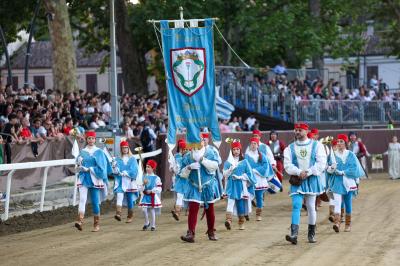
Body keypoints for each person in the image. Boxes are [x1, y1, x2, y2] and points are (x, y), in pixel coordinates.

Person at [284, 123, 327, 245]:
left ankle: (311, 233)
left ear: (306, 131)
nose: (297, 132)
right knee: (297, 205)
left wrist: (308, 172)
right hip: (297, 180)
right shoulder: (290, 147)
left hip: (312, 179)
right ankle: (294, 234)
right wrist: (298, 172)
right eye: (296, 130)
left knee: (311, 206)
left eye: (300, 130)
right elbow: (287, 165)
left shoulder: (317, 145)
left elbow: (321, 163)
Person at [179, 134, 220, 243]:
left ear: (202, 141)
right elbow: (182, 174)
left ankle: (211, 231)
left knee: (209, 209)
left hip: (208, 185)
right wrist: (189, 167)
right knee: (193, 208)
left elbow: (215, 166)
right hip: (194, 185)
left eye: (199, 141)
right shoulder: (188, 156)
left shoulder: (210, 152)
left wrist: (202, 160)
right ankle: (190, 233)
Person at [326, 134, 365, 233]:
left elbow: (354, 168)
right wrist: (331, 169)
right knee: (338, 202)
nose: (339, 143)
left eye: (341, 141)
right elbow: (327, 168)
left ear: (346, 143)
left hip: (348, 182)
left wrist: (343, 172)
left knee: (347, 203)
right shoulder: (332, 155)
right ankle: (337, 223)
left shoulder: (350, 154)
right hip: (337, 182)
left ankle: (348, 224)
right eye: (338, 141)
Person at [74, 131, 109, 232]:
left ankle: (96, 224)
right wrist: (79, 165)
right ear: (86, 139)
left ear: (95, 139)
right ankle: (80, 220)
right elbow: (77, 165)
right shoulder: (82, 152)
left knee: (95, 202)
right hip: (84, 178)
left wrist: (89, 169)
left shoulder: (99, 152)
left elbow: (102, 168)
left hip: (95, 178)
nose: (90, 140)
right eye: (89, 138)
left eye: (92, 138)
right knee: (82, 199)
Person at [223, 140, 256, 230]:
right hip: (231, 186)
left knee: (240, 204)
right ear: (232, 151)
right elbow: (224, 175)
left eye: (237, 149)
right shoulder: (228, 162)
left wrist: (241, 177)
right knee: (230, 202)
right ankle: (228, 220)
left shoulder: (244, 162)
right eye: (234, 149)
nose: (236, 151)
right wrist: (230, 170)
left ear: (240, 150)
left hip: (241, 186)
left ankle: (241, 222)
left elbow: (250, 174)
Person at [245, 137, 274, 221]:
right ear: (250, 145)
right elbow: (245, 167)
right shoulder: (247, 156)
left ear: (258, 145)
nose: (253, 145)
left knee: (259, 197)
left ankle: (258, 214)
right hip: (250, 179)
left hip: (260, 179)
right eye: (252, 144)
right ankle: (246, 212)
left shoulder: (262, 156)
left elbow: (265, 167)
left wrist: (254, 170)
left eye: (255, 144)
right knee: (248, 196)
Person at [112, 140, 139, 223]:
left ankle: (130, 216)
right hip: (120, 181)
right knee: (119, 196)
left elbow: (134, 171)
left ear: (128, 148)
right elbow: (114, 171)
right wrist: (115, 169)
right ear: (121, 149)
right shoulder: (117, 159)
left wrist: (126, 173)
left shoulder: (132, 159)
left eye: (126, 148)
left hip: (130, 182)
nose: (125, 149)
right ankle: (118, 214)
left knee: (129, 198)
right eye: (123, 148)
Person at [138, 160, 162, 231]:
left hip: (152, 196)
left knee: (152, 210)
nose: (147, 168)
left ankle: (153, 225)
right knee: (144, 209)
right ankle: (147, 222)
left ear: (153, 168)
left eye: (149, 167)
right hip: (145, 196)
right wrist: (144, 184)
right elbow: (140, 188)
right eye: (146, 167)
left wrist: (152, 190)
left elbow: (159, 188)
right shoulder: (144, 177)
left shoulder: (156, 178)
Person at [170, 139, 189, 221]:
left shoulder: (189, 156)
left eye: (185, 149)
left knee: (188, 196)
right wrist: (173, 167)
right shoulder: (176, 156)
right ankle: (177, 212)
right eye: (182, 149)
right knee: (179, 196)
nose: (183, 151)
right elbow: (174, 167)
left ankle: (189, 209)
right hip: (180, 179)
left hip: (188, 179)